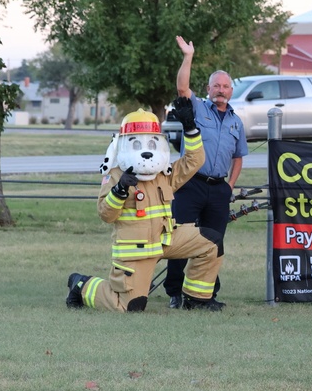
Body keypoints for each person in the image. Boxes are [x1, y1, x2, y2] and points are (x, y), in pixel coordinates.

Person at [66, 102, 224, 312]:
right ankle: (81, 285)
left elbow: (194, 161)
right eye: (137, 144)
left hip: (166, 239)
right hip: (136, 250)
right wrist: (120, 190)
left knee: (211, 242)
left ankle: (196, 299)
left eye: (151, 143)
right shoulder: (115, 175)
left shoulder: (163, 174)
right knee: (129, 307)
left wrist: (191, 129)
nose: (147, 152)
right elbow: (105, 214)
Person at [163, 35, 248, 310]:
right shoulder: (199, 108)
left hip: (219, 188)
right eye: (216, 86)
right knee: (180, 239)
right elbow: (181, 87)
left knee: (214, 241)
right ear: (208, 88)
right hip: (190, 184)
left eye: (225, 86)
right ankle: (175, 293)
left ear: (231, 91)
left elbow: (238, 157)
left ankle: (204, 295)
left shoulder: (236, 121)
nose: (220, 90)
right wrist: (188, 56)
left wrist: (230, 186)